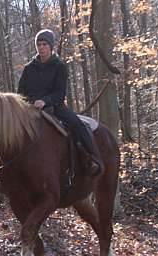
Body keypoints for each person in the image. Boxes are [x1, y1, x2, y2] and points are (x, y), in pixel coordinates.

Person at [18, 29, 102, 177]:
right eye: (39, 44)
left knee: (77, 124)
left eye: (44, 44)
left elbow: (59, 93)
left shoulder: (59, 66)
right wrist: (28, 104)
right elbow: (20, 93)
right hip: (30, 110)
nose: (41, 47)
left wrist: (45, 101)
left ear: (51, 46)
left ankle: (91, 159)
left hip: (55, 108)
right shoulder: (28, 68)